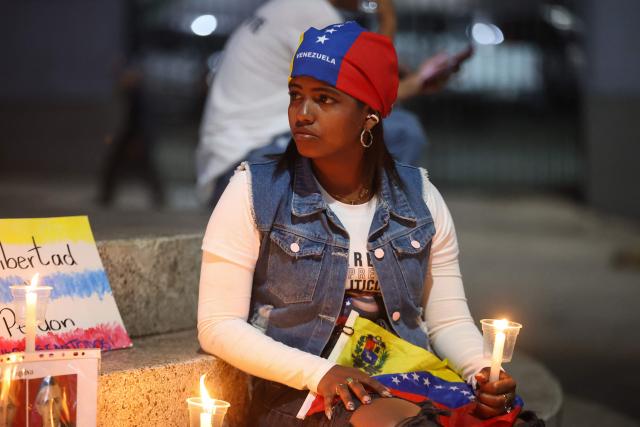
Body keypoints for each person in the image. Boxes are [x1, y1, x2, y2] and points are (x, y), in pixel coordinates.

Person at [198, 21, 517, 426]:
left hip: (411, 383)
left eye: (325, 99)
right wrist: (321, 373)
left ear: (369, 115)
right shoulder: (254, 192)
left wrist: (480, 374)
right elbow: (217, 325)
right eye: (297, 96)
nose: (303, 113)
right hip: (304, 396)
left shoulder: (419, 198)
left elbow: (447, 320)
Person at [196, 0, 471, 207]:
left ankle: (350, 231)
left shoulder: (289, 6)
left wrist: (413, 79)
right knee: (402, 131)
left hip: (237, 168)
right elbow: (367, 94)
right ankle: (367, 236)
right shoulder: (312, 13)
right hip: (249, 171)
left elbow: (364, 78)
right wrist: (387, 19)